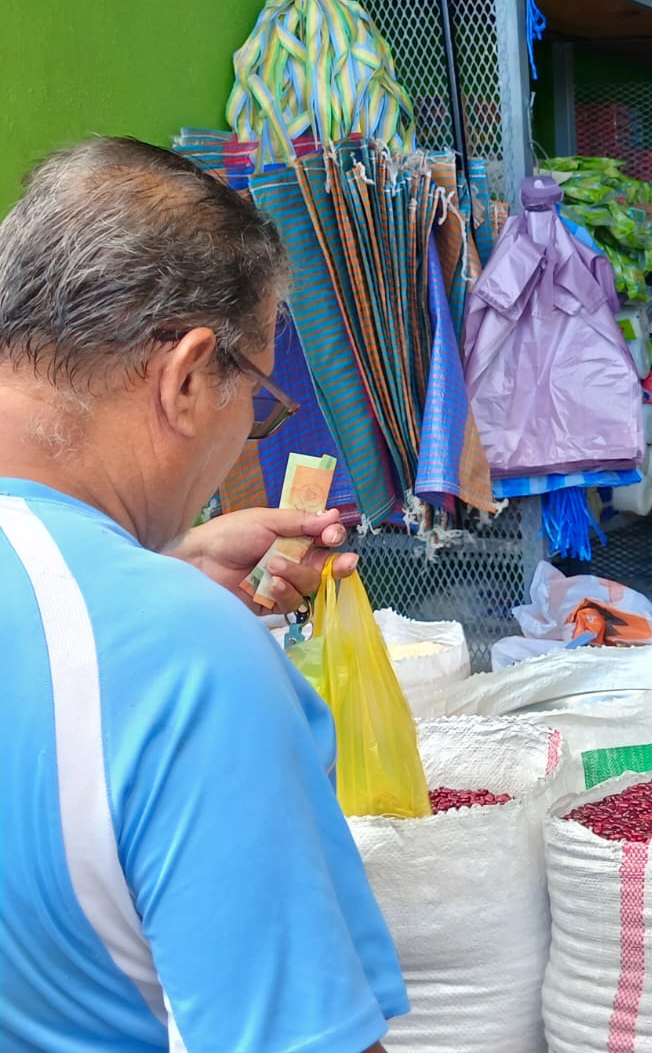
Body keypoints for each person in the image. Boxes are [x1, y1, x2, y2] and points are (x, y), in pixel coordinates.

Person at [0, 138, 406, 1052]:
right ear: (187, 378)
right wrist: (164, 611)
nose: (246, 435)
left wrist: (161, 571)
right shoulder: (184, 657)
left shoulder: (135, 620)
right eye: (259, 403)